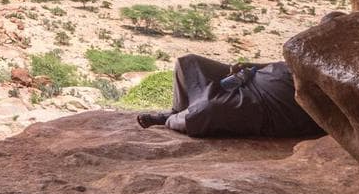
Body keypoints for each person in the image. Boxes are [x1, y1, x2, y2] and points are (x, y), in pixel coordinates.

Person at [136, 54, 325, 138]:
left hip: (260, 105)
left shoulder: (334, 80)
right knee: (188, 62)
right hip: (248, 79)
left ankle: (169, 119)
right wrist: (249, 66)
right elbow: (277, 65)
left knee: (204, 113)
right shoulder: (306, 55)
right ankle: (177, 110)